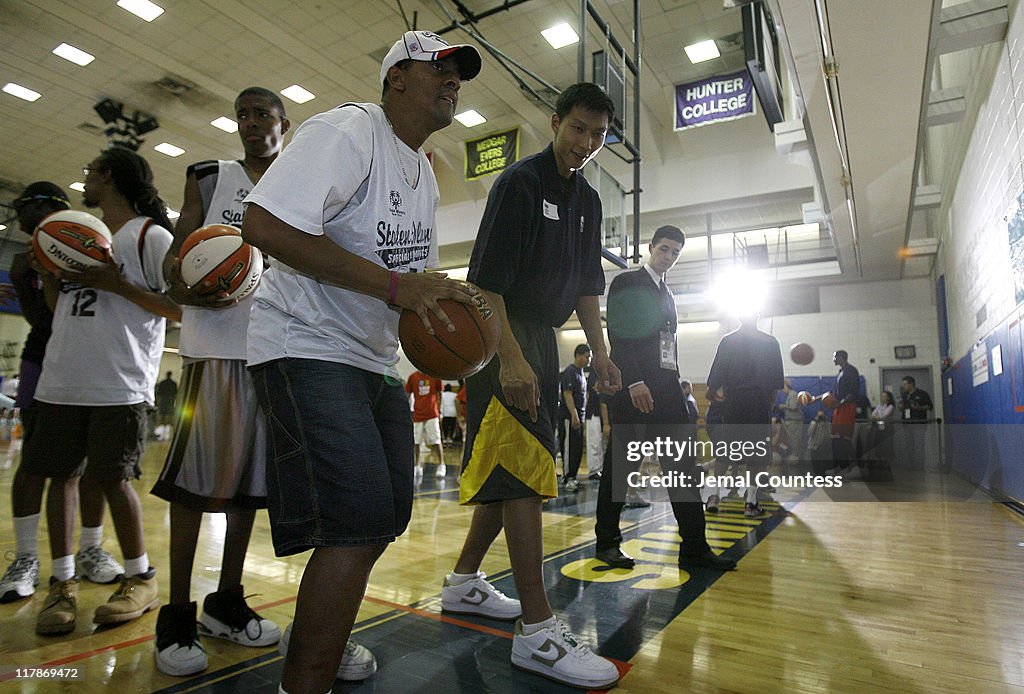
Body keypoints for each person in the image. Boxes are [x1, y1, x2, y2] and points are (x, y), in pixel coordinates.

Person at [240, 30, 482, 694]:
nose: (453, 80)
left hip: (371, 358)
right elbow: (261, 226)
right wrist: (402, 289)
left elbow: (412, 276)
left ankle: (324, 628)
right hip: (304, 344)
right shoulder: (349, 130)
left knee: (386, 514)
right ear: (395, 79)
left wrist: (444, 314)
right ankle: (303, 680)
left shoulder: (422, 170)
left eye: (459, 73)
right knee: (351, 523)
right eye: (439, 69)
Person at [441, 83, 621, 690]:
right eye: (578, 129)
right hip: (503, 335)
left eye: (597, 135)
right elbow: (485, 283)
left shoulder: (589, 201)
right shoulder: (519, 182)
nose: (586, 144)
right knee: (522, 475)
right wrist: (511, 361)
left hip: (543, 339)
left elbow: (589, 291)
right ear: (555, 122)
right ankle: (538, 632)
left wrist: (601, 354)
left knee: (513, 470)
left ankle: (465, 581)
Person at [148, 87, 290, 677]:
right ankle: (176, 612)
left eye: (263, 115)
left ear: (286, 124)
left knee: (247, 491)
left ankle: (225, 601)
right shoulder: (210, 177)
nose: (250, 124)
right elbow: (175, 263)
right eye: (243, 115)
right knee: (197, 487)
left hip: (274, 351)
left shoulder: (303, 185)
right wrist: (186, 282)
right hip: (215, 352)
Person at [22, 147, 180, 635]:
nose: (85, 181)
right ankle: (62, 583)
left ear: (108, 177)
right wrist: (50, 274)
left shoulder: (151, 237)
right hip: (61, 378)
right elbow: (63, 306)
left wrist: (118, 284)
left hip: (119, 383)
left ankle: (141, 578)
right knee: (59, 479)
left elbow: (178, 310)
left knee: (114, 482)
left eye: (90, 172)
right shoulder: (80, 234)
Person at [0, 182, 123, 603]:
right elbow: (42, 322)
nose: (22, 214)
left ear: (52, 207)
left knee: (91, 468)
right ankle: (27, 558)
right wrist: (26, 277)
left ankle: (90, 548)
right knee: (35, 462)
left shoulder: (88, 240)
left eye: (28, 205)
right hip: (44, 363)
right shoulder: (26, 260)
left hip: (94, 363)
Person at [595, 225, 735, 572]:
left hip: (668, 391)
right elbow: (619, 334)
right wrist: (635, 380)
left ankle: (694, 548)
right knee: (620, 471)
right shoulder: (628, 282)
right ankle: (607, 544)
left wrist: (674, 379)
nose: (668, 257)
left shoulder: (667, 294)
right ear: (650, 247)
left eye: (675, 253)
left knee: (683, 471)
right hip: (635, 391)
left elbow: (666, 346)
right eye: (664, 250)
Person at [706, 311, 784, 517]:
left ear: (739, 318)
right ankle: (750, 502)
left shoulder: (727, 341)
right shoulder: (771, 342)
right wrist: (767, 402)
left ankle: (713, 496)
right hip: (759, 405)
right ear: (758, 317)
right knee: (756, 457)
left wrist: (717, 392)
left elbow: (713, 383)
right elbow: (777, 384)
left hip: (733, 405)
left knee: (724, 453)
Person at [559, 344, 591, 491]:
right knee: (568, 447)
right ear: (578, 355)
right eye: (586, 356)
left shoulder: (581, 373)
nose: (588, 360)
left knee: (577, 448)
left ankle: (573, 476)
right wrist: (574, 415)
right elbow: (567, 393)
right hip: (569, 417)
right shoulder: (570, 372)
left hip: (580, 417)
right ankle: (567, 478)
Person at [405, 369, 446, 478]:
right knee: (416, 442)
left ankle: (442, 464)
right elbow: (408, 395)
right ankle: (417, 466)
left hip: (432, 414)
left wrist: (440, 410)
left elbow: (440, 394)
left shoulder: (435, 375)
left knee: (436, 440)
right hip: (417, 414)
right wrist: (406, 411)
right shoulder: (413, 377)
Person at [827, 350, 860, 469]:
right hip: (839, 408)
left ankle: (853, 466)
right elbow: (832, 393)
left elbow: (852, 392)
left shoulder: (851, 371)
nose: (833, 359)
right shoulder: (840, 373)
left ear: (841, 357)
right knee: (836, 437)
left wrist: (840, 404)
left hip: (847, 407)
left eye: (835, 357)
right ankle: (839, 466)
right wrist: (815, 398)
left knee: (844, 438)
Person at [899, 376, 933, 469]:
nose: (904, 386)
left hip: (919, 424)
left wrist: (919, 408)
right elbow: (901, 409)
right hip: (907, 424)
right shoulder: (904, 395)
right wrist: (900, 406)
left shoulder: (922, 394)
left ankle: (920, 466)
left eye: (905, 384)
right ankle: (912, 466)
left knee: (919, 445)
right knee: (909, 446)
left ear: (911, 384)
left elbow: (930, 407)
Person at [584, 367, 609, 480]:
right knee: (595, 442)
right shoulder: (595, 376)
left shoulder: (604, 376)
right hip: (593, 413)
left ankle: (601, 468)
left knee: (602, 443)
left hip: (600, 414)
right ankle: (595, 470)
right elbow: (597, 399)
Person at [781, 379, 804, 464]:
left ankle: (797, 459)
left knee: (795, 442)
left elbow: (793, 407)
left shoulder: (793, 394)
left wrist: (782, 406)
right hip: (791, 422)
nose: (782, 391)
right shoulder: (790, 395)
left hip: (795, 422)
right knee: (792, 441)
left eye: (783, 388)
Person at [154, 370, 177, 438]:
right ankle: (166, 428)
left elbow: (159, 392)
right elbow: (175, 393)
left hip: (163, 400)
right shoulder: (173, 383)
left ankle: (162, 427)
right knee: (168, 414)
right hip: (170, 400)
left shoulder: (162, 383)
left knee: (162, 414)